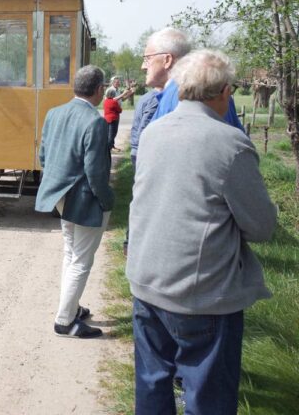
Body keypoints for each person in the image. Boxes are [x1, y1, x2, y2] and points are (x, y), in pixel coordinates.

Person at [127, 50, 277, 415]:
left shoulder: (152, 133)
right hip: (201, 293)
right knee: (207, 395)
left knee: (152, 384)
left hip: (146, 280)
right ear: (225, 92)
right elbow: (261, 227)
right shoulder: (230, 143)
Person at [35, 65, 114, 339]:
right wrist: (107, 201)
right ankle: (65, 321)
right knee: (81, 260)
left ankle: (70, 308)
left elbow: (42, 156)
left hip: (59, 196)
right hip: (84, 198)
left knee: (71, 254)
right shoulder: (95, 121)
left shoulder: (54, 113)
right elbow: (96, 171)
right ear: (100, 89)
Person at [145, 28, 243, 129]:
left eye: (148, 58)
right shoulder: (216, 89)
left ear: (167, 60)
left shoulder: (188, 93)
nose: (143, 66)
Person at [103, 87, 123, 152]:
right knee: (112, 134)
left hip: (106, 119)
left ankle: (110, 146)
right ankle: (109, 148)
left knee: (108, 133)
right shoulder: (114, 102)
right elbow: (119, 110)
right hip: (113, 119)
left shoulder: (105, 101)